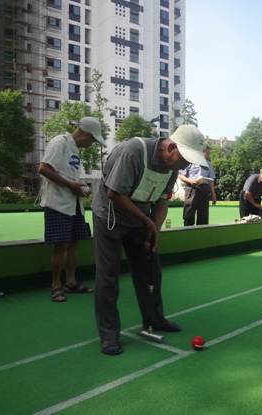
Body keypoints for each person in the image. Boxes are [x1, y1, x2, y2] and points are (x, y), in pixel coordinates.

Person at [92, 125, 208, 355]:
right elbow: (115, 194)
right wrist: (148, 223)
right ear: (171, 147)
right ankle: (109, 334)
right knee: (108, 276)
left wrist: (155, 230)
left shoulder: (172, 167)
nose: (184, 166)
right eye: (184, 160)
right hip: (110, 216)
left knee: (151, 270)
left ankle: (154, 318)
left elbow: (162, 202)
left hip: (140, 218)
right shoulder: (133, 152)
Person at [38, 117, 105, 302]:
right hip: (57, 204)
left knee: (74, 243)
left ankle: (70, 282)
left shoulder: (74, 148)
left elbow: (67, 174)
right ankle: (56, 285)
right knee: (60, 245)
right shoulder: (60, 142)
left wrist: (79, 187)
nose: (92, 144)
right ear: (85, 133)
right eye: (92, 140)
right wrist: (71, 185)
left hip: (73, 204)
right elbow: (43, 169)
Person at [179, 145, 217, 226]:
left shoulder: (208, 164)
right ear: (201, 152)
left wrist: (213, 194)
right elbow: (180, 175)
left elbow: (211, 180)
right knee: (189, 214)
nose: (209, 155)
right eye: (207, 153)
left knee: (203, 215)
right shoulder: (190, 161)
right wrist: (190, 181)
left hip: (205, 190)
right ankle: (187, 231)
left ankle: (202, 232)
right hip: (191, 188)